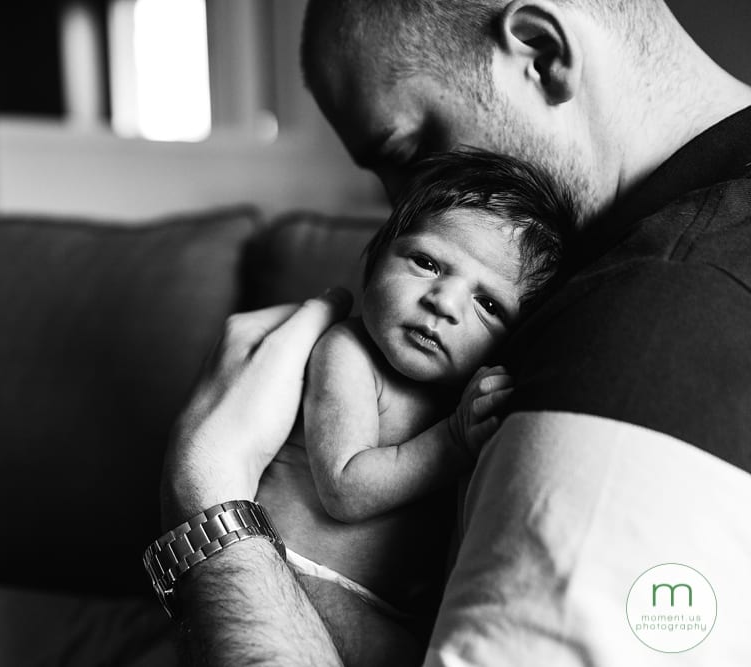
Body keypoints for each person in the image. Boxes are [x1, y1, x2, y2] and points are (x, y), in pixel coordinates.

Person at [160, 0, 751, 664]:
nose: (401, 212)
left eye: (412, 154)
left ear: (539, 54)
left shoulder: (652, 310)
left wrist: (205, 496)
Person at [254, 150, 572, 658]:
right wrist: (450, 441)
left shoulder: (467, 391)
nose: (444, 302)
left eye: (488, 304)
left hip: (388, 603)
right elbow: (345, 487)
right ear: (376, 260)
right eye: (426, 263)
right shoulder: (349, 353)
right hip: (299, 578)